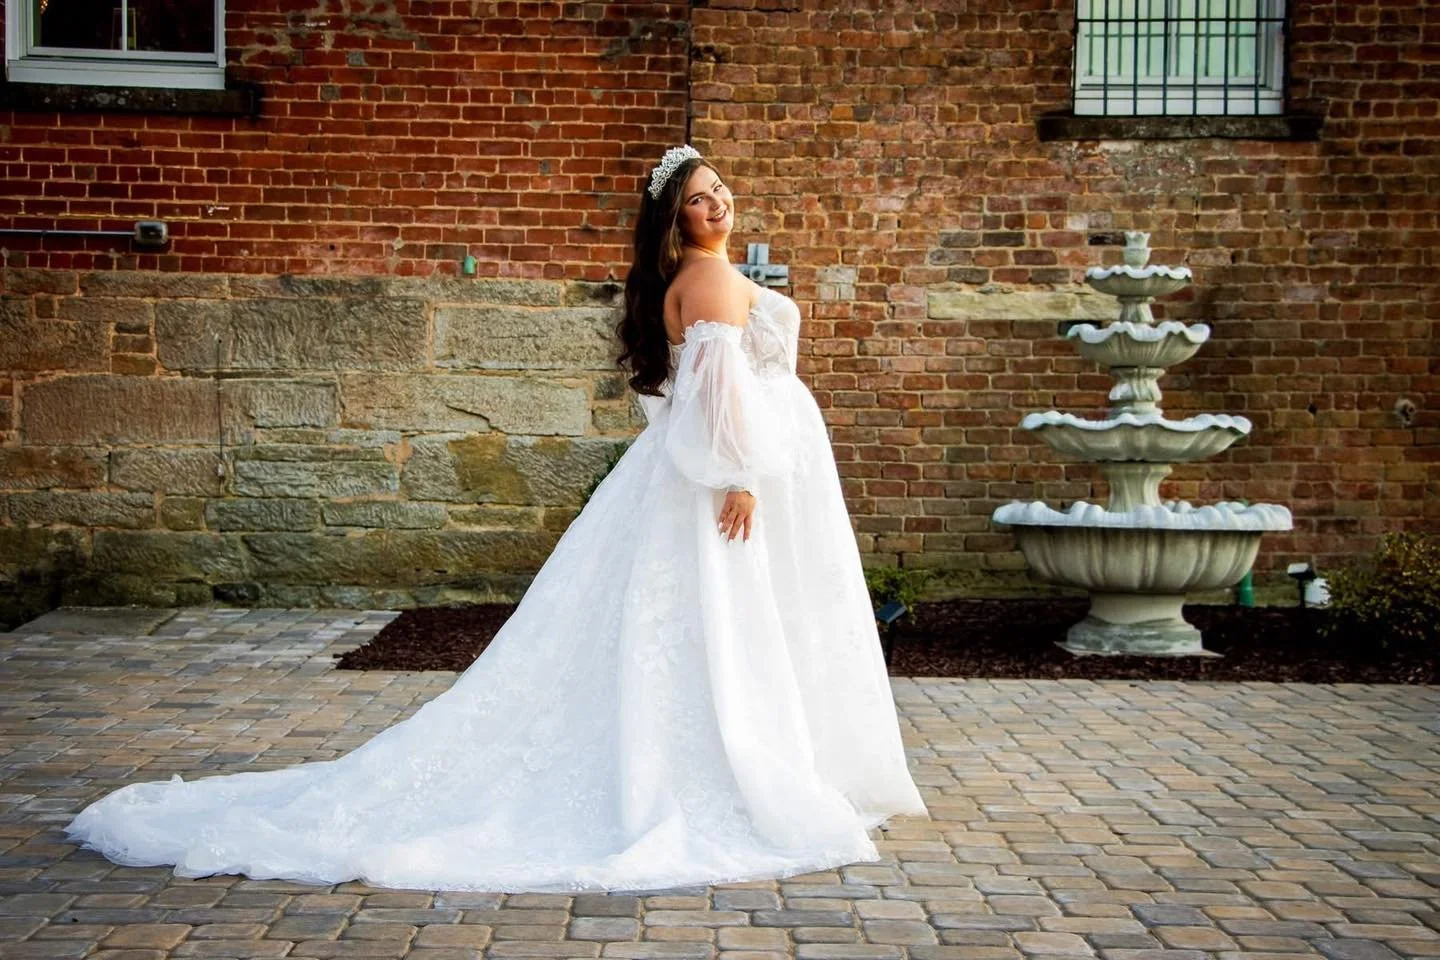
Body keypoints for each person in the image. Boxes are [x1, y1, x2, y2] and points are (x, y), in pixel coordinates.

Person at [62, 144, 929, 893]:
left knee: (701, 627)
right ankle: (727, 772)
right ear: (675, 222)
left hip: (699, 475)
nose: (718, 203)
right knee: (721, 621)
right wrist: (739, 476)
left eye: (720, 189)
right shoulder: (707, 279)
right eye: (699, 198)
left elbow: (676, 394)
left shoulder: (692, 279)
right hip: (722, 482)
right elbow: (716, 393)